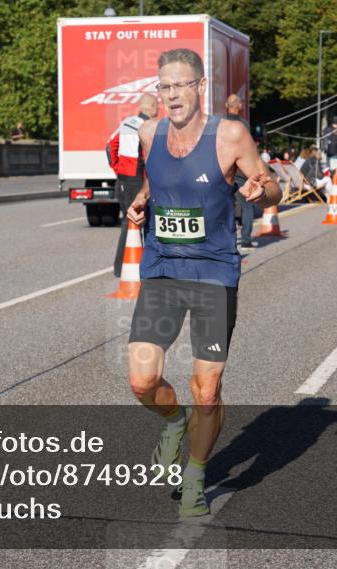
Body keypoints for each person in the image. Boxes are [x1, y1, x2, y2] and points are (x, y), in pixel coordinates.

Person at [125, 48, 282, 517]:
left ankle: (195, 475)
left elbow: (272, 187)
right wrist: (140, 202)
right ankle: (174, 423)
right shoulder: (149, 132)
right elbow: (154, 184)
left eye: (180, 85)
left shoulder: (229, 134)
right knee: (141, 381)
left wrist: (262, 190)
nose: (172, 95)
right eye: (164, 87)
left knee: (206, 391)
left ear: (199, 86)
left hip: (213, 272)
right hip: (162, 267)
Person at [108, 94, 159, 276]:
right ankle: (134, 266)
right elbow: (151, 157)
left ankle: (122, 266)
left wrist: (117, 168)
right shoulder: (147, 127)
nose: (159, 109)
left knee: (128, 221)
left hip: (123, 180)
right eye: (158, 105)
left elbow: (110, 147)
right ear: (152, 107)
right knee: (142, 221)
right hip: (138, 180)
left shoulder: (126, 123)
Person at [224, 94, 260, 253]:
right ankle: (245, 240)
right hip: (240, 171)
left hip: (223, 170)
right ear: (239, 106)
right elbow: (250, 150)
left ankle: (226, 241)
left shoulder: (219, 124)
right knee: (247, 206)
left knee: (225, 206)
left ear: (226, 105)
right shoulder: (243, 125)